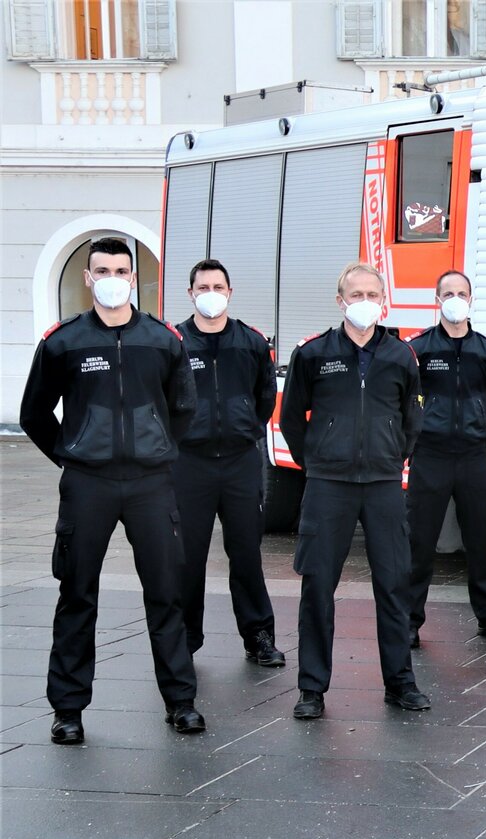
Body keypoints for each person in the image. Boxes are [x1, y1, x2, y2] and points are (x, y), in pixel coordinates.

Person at [21, 236, 205, 744]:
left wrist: (159, 446)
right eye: (102, 271)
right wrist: (71, 452)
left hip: (150, 485)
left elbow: (183, 407)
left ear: (133, 277)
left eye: (121, 271)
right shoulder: (63, 341)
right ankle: (68, 711)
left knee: (166, 595)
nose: (112, 280)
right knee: (77, 594)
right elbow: (34, 413)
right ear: (88, 278)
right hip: (88, 485)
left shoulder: (163, 339)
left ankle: (181, 702)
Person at [279, 262, 428, 720]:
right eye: (356, 293)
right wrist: (319, 460)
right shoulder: (313, 354)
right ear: (339, 300)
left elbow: (412, 419)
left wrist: (389, 456)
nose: (365, 302)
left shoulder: (400, 355)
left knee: (394, 584)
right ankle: (312, 689)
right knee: (318, 586)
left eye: (372, 293)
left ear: (383, 300)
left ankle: (399, 682)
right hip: (328, 486)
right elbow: (291, 419)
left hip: (382, 485)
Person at [172, 259, 283, 668]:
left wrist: (243, 428)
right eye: (203, 286)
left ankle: (258, 636)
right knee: (187, 555)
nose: (211, 293)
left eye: (218, 286)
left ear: (230, 292)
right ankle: (185, 638)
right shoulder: (175, 342)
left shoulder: (251, 342)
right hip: (190, 464)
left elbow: (265, 397)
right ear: (191, 294)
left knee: (246, 554)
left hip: (239, 462)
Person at [404, 269, 486, 649]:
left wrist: (476, 424)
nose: (454, 298)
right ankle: (409, 621)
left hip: (471, 455)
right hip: (430, 456)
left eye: (461, 292)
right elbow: (405, 400)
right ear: (437, 299)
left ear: (471, 299)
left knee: (481, 541)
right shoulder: (418, 351)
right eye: (447, 292)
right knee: (419, 543)